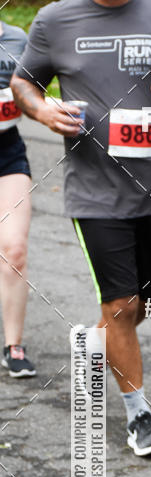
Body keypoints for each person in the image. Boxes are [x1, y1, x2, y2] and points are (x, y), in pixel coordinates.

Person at [11, 0, 151, 454]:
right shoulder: (54, 19)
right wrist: (44, 110)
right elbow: (24, 83)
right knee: (122, 306)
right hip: (94, 192)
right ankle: (139, 415)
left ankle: (96, 342)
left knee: (144, 304)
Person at [0, 20, 35, 378]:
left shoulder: (16, 39)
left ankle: (14, 346)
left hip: (7, 154)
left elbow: (28, 93)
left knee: (14, 249)